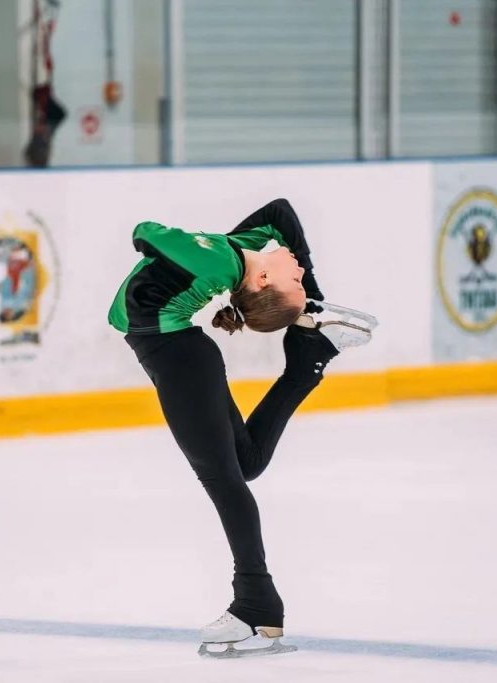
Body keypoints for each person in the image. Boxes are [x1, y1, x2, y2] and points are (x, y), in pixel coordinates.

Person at [107, 198, 374, 656]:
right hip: (181, 353)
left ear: (264, 280)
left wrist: (189, 244)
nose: (300, 269)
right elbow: (280, 213)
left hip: (178, 357)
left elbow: (145, 231)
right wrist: (314, 299)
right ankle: (307, 362)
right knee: (244, 464)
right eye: (300, 277)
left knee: (224, 480)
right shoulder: (231, 254)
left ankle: (254, 602)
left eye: (297, 279)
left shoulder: (219, 260)